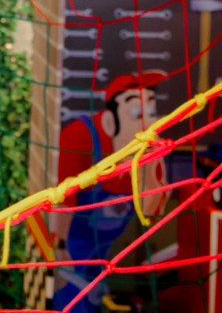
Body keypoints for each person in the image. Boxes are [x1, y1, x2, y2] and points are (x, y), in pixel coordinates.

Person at [53, 71, 169, 313]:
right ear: (110, 120)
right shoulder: (80, 137)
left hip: (103, 251)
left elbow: (150, 214)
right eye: (136, 113)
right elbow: (63, 201)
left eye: (151, 111)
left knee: (95, 300)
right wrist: (59, 249)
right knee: (72, 302)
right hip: (70, 246)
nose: (146, 122)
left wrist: (150, 171)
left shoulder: (147, 151)